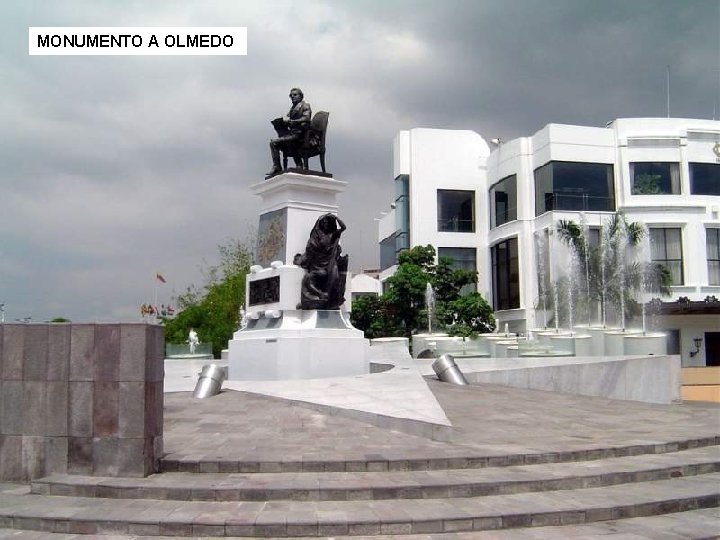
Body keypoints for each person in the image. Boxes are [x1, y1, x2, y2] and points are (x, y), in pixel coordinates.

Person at [295, 214, 348, 310]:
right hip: (317, 264)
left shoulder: (332, 235)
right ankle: (321, 296)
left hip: (329, 262)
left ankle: (332, 299)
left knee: (335, 277)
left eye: (327, 222)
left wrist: (336, 218)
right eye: (323, 223)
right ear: (319, 224)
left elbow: (343, 227)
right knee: (309, 279)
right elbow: (310, 250)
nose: (325, 224)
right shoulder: (314, 238)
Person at [266, 88, 312, 178]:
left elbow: (307, 118)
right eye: (291, 95)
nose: (292, 97)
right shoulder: (292, 108)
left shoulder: (305, 105)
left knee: (274, 142)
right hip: (292, 133)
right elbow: (291, 120)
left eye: (295, 95)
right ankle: (278, 166)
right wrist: (283, 123)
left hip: (300, 134)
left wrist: (294, 122)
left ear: (301, 96)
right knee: (277, 142)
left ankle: (295, 164)